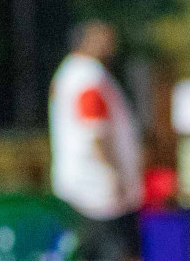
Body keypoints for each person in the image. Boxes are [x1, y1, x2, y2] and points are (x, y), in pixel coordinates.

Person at [50, 21, 144, 261]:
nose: (110, 40)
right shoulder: (87, 76)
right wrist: (115, 174)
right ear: (87, 39)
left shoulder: (70, 73)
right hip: (101, 193)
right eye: (103, 34)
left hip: (85, 188)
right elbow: (95, 131)